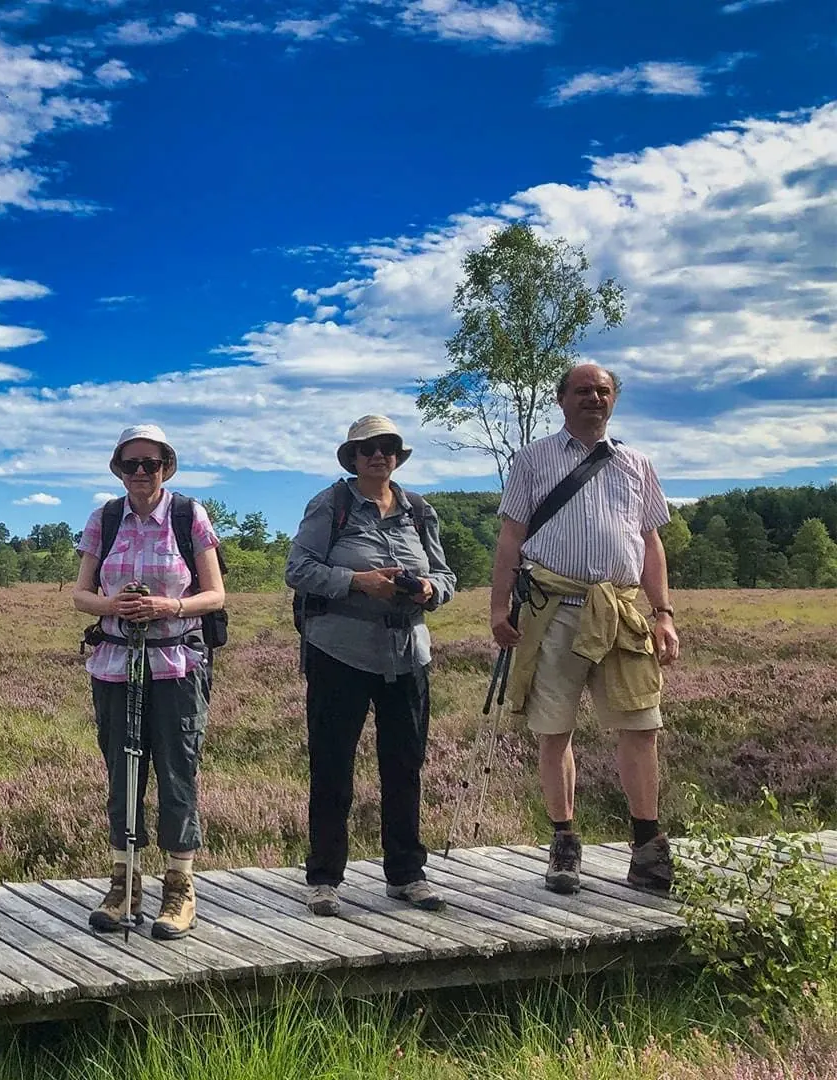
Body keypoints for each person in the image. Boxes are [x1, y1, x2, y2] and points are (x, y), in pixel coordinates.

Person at [491, 364, 680, 895]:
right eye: (583, 391)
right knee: (554, 730)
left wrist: (663, 612)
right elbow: (511, 539)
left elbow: (649, 544)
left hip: (621, 611)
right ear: (561, 399)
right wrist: (498, 608)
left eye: (603, 391)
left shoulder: (635, 464)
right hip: (552, 610)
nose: (593, 398)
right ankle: (564, 844)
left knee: (642, 726)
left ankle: (647, 848)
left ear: (614, 399)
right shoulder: (532, 460)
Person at [285, 416, 457, 917]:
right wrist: (359, 582)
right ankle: (324, 879)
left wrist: (429, 589)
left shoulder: (419, 512)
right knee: (333, 767)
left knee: (405, 767)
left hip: (408, 656)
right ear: (353, 458)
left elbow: (445, 574)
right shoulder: (331, 505)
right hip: (339, 654)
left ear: (398, 456)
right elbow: (298, 569)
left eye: (387, 448)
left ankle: (406, 874)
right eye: (367, 449)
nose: (378, 456)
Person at [72, 424, 225, 940]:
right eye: (131, 464)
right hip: (116, 665)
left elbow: (215, 595)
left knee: (177, 773)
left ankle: (180, 886)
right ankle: (125, 882)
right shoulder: (105, 518)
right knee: (123, 773)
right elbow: (81, 595)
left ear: (166, 467)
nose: (141, 473)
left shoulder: (188, 516)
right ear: (118, 468)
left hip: (177, 664)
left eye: (151, 464)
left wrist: (168, 606)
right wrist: (112, 606)